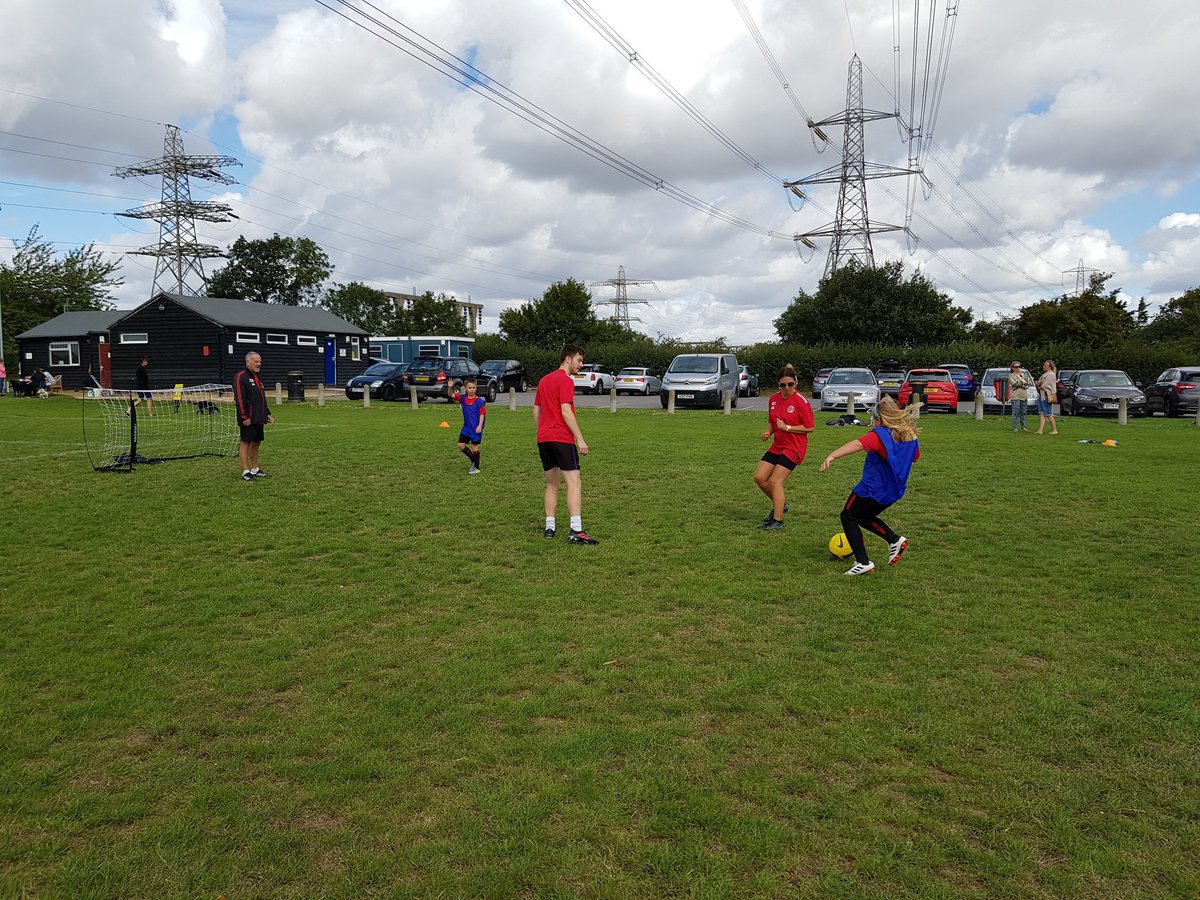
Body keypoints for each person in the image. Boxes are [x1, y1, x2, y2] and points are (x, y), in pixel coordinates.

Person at [819, 395, 921, 576]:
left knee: (848, 517)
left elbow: (858, 444)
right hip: (893, 492)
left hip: (872, 490)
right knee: (862, 517)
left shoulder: (879, 435)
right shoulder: (910, 436)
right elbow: (915, 457)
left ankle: (863, 562)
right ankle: (894, 540)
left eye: (872, 418)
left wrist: (832, 455)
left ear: (879, 419)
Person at [533, 344, 599, 544]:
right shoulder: (566, 380)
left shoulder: (544, 380)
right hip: (561, 438)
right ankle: (576, 530)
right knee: (574, 483)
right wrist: (580, 438)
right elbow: (566, 411)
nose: (581, 364)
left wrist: (543, 431)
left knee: (552, 483)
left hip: (544, 439)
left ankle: (550, 528)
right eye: (579, 360)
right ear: (568, 359)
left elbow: (536, 412)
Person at [754, 364, 814, 529]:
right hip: (778, 445)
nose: (787, 388)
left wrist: (787, 427)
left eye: (790, 384)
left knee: (775, 480)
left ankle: (778, 520)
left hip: (795, 447)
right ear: (778, 384)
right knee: (759, 477)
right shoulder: (773, 399)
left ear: (796, 382)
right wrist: (769, 432)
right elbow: (772, 420)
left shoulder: (801, 402)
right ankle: (780, 503)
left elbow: (810, 427)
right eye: (783, 385)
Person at [234, 351, 273, 481]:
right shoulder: (241, 377)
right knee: (246, 442)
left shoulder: (258, 378)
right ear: (248, 361)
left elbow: (261, 398)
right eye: (256, 361)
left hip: (259, 417)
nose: (259, 364)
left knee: (256, 442)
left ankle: (255, 469)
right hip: (248, 418)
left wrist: (267, 413)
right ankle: (245, 471)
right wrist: (244, 417)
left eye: (260, 361)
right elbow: (240, 399)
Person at [449, 376, 486, 474]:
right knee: (460, 445)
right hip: (466, 428)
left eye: (473, 388)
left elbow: (482, 414)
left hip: (475, 428)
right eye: (469, 388)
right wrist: (450, 387)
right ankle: (474, 460)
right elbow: (451, 394)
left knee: (474, 447)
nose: (472, 390)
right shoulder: (463, 398)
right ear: (465, 388)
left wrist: (479, 426)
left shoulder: (479, 401)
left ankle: (476, 468)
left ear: (476, 388)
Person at [1036, 359, 1059, 435]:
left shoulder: (1051, 374)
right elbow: (1041, 382)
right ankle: (1040, 430)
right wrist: (1038, 383)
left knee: (1048, 413)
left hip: (1047, 395)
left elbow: (1045, 385)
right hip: (1042, 394)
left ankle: (1054, 430)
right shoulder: (1045, 374)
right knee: (1042, 413)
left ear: (1050, 366)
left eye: (1045, 365)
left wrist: (1039, 385)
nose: (1043, 366)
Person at [1008, 361, 1032, 432]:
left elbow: (1029, 383)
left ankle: (1023, 427)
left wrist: (1023, 383)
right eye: (1016, 367)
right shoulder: (1011, 376)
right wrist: (1023, 383)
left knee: (1023, 412)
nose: (1018, 368)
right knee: (1015, 412)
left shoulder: (1023, 375)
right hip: (1015, 396)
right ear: (1012, 368)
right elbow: (1015, 383)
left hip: (1024, 396)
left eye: (1019, 367)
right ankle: (1014, 427)